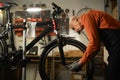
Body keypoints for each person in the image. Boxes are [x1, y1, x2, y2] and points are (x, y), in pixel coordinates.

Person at [69, 9, 120, 80]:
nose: (76, 30)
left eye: (73, 28)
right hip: (115, 47)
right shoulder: (89, 18)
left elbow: (94, 45)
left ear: (75, 19)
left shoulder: (86, 17)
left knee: (111, 76)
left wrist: (81, 63)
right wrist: (82, 59)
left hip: (117, 45)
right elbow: (97, 45)